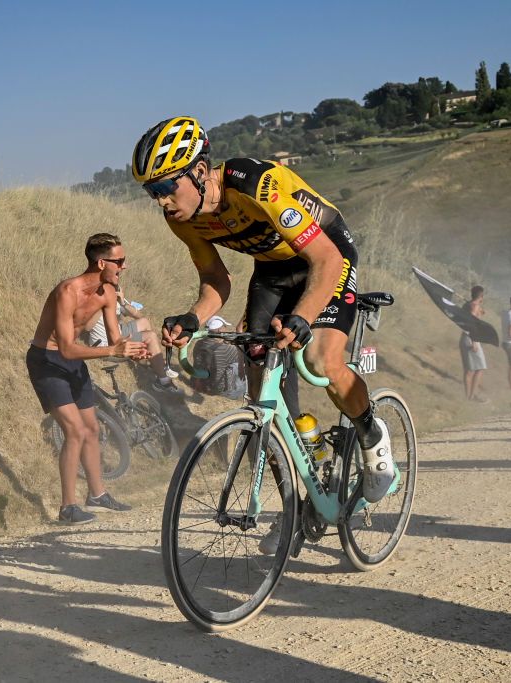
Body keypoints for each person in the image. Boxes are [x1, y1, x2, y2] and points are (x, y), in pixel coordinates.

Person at [131, 115, 394, 505]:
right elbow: (215, 278)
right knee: (260, 400)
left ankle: (372, 435)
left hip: (324, 254)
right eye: (152, 191)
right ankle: (295, 507)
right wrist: (192, 318)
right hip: (271, 269)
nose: (162, 199)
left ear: (200, 171)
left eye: (167, 185)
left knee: (321, 360)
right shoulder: (180, 218)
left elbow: (326, 261)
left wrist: (303, 317)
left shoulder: (255, 186)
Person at [26, 233, 147, 525]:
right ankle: (68, 507)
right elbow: (66, 347)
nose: (124, 266)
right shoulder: (68, 291)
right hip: (47, 361)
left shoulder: (107, 294)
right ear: (101, 262)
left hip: (75, 360)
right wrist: (111, 349)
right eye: (120, 261)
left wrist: (133, 350)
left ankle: (98, 495)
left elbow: (116, 339)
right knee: (76, 431)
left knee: (92, 428)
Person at [85, 285, 182, 394]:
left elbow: (138, 316)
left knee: (144, 322)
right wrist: (102, 306)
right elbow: (87, 326)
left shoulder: (114, 300)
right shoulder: (95, 303)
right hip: (106, 345)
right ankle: (163, 382)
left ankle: (150, 360)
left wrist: (122, 302)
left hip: (119, 333)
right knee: (151, 336)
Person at [459, 285, 488, 402]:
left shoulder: (467, 305)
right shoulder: (474, 306)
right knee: (478, 368)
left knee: (470, 370)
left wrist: (479, 312)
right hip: (471, 339)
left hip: (466, 338)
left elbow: (468, 317)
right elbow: (471, 324)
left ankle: (470, 396)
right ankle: (471, 396)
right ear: (481, 296)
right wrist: (474, 341)